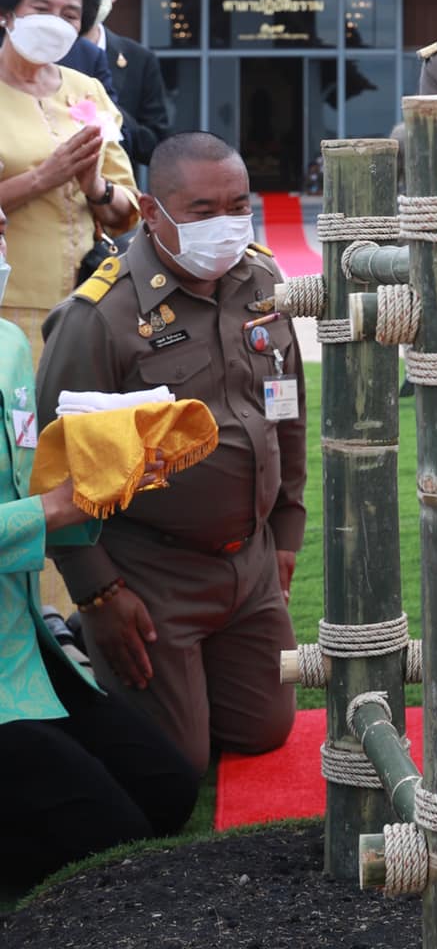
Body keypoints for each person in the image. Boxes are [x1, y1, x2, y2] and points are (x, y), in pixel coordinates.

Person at [36, 132, 305, 775]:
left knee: (263, 731)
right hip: (151, 570)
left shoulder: (263, 280)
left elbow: (285, 412)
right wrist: (99, 594)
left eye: (239, 206)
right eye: (204, 211)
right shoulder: (100, 315)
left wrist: (286, 532)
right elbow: (53, 469)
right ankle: (78, 639)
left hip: (250, 563)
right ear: (153, 211)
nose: (228, 224)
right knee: (174, 768)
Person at [0, 203, 198, 887]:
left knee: (168, 792)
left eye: (0, 226)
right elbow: (42, 505)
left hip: (23, 643)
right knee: (113, 842)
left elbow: (34, 479)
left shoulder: (9, 346)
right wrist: (55, 509)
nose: (2, 235)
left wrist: (112, 473)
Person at [0, 0, 138, 363]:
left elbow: (129, 207)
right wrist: (45, 177)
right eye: (41, 7)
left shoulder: (87, 90)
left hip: (87, 302)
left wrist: (95, 187)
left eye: (69, 14)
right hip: (8, 307)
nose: (55, 22)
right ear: (6, 13)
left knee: (78, 424)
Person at [70, 0, 172, 166]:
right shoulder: (44, 55)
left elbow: (156, 147)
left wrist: (105, 107)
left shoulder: (140, 60)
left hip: (115, 192)